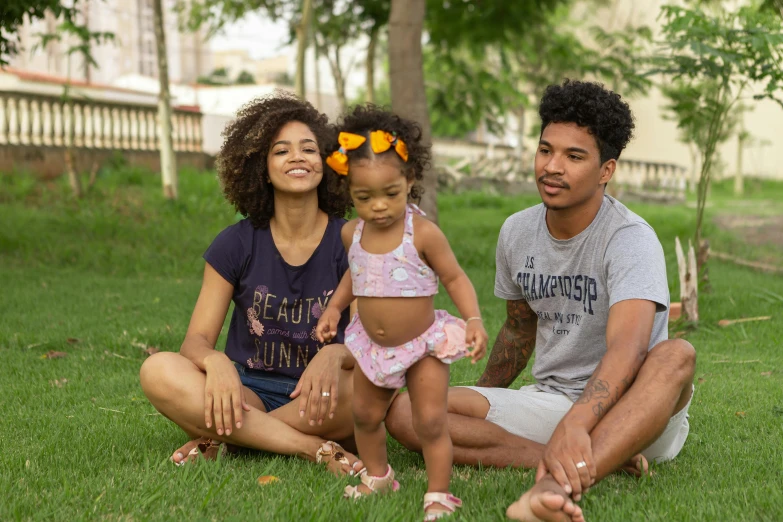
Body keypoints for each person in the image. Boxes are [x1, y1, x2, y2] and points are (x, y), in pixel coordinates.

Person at [386, 80, 696, 522]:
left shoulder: (630, 239)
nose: (552, 167)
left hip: (637, 412)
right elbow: (518, 327)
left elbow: (629, 350)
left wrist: (577, 424)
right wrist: (481, 399)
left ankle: (555, 484)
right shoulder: (517, 231)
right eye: (545, 150)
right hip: (551, 402)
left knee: (676, 355)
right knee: (406, 409)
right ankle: (577, 459)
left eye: (574, 156)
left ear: (606, 170)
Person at [139, 92, 366, 476]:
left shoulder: (353, 242)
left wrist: (335, 355)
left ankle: (231, 438)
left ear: (327, 164)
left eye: (308, 149)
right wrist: (216, 362)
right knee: (158, 370)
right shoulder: (236, 243)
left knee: (375, 388)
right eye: (281, 151)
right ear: (261, 168)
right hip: (246, 394)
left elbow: (368, 342)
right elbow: (195, 341)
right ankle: (310, 447)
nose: (296, 157)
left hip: (321, 395)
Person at [314, 105, 489, 520]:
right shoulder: (350, 233)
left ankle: (439, 493)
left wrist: (476, 319)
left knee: (429, 421)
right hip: (372, 348)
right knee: (364, 414)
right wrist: (335, 308)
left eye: (390, 193)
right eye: (364, 197)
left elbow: (456, 278)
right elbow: (354, 277)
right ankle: (378, 476)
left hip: (422, 345)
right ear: (348, 192)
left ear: (410, 182)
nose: (378, 206)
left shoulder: (422, 233)